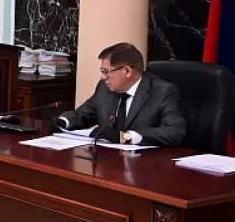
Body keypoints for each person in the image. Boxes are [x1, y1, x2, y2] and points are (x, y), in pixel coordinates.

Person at [56, 42, 186, 146]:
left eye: (106, 71)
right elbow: (84, 114)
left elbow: (174, 131)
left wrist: (128, 136)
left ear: (127, 71)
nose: (103, 77)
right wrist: (63, 122)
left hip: (146, 164)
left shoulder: (163, 92)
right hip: (108, 160)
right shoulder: (105, 88)